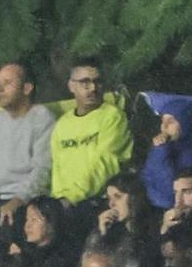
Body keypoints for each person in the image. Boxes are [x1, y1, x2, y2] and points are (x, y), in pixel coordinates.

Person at [0, 60, 56, 218]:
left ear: (27, 88)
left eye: (7, 83)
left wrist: (18, 201)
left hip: (28, 200)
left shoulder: (42, 118)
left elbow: (43, 169)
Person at [50, 58, 134, 207]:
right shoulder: (62, 124)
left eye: (97, 82)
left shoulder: (113, 116)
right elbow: (56, 167)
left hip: (96, 201)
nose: (93, 88)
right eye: (85, 82)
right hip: (62, 202)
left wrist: (70, 198)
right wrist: (57, 200)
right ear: (71, 86)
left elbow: (104, 162)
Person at [141, 99, 192, 211]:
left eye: (171, 121)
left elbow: (167, 188)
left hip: (167, 208)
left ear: (185, 124)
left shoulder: (191, 155)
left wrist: (160, 149)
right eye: (163, 121)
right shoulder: (163, 147)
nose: (164, 126)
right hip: (149, 204)